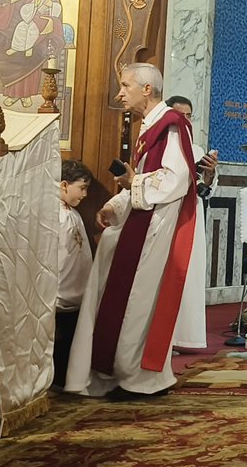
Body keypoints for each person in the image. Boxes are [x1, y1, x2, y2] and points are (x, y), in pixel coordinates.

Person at [66, 63, 198, 399]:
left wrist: (134, 183)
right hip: (143, 220)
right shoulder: (150, 125)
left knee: (139, 300)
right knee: (122, 292)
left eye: (126, 86)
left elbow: (176, 179)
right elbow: (142, 176)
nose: (120, 94)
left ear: (147, 89)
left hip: (157, 228)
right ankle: (120, 370)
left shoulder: (171, 125)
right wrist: (116, 204)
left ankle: (140, 377)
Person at [164, 95, 210, 353]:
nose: (186, 121)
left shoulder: (197, 150)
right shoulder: (161, 145)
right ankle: (163, 337)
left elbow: (203, 190)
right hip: (167, 214)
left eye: (190, 116)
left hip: (191, 215)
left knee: (188, 272)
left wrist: (209, 176)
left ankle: (184, 336)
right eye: (180, 116)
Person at [54, 159, 94, 389]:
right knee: (59, 342)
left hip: (77, 294)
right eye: (82, 188)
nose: (85, 194)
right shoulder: (54, 214)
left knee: (71, 342)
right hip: (58, 293)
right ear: (64, 185)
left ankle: (68, 380)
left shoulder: (73, 213)